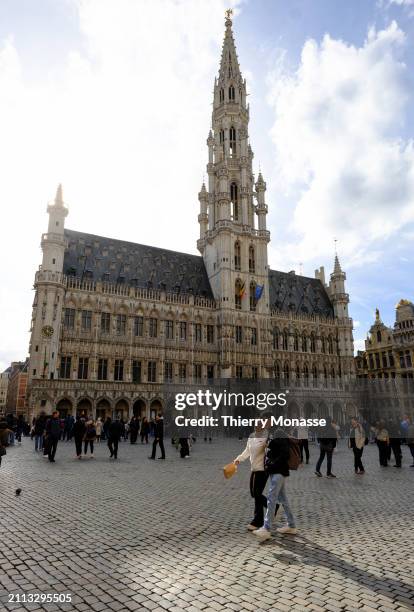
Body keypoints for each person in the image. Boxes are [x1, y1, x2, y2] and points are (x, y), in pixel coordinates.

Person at [253, 427, 297, 541]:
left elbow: (281, 456)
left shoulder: (278, 441)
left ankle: (266, 528)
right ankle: (291, 525)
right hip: (278, 473)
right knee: (284, 499)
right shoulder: (280, 441)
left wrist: (272, 463)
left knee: (271, 499)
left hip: (277, 473)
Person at [233, 418, 277, 531]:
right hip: (254, 468)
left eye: (259, 424)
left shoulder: (266, 437)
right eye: (255, 423)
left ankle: (257, 521)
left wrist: (267, 446)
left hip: (263, 469)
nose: (256, 426)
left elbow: (271, 450)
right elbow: (247, 450)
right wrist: (239, 459)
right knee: (254, 493)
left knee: (257, 493)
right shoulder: (252, 436)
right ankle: (272, 507)